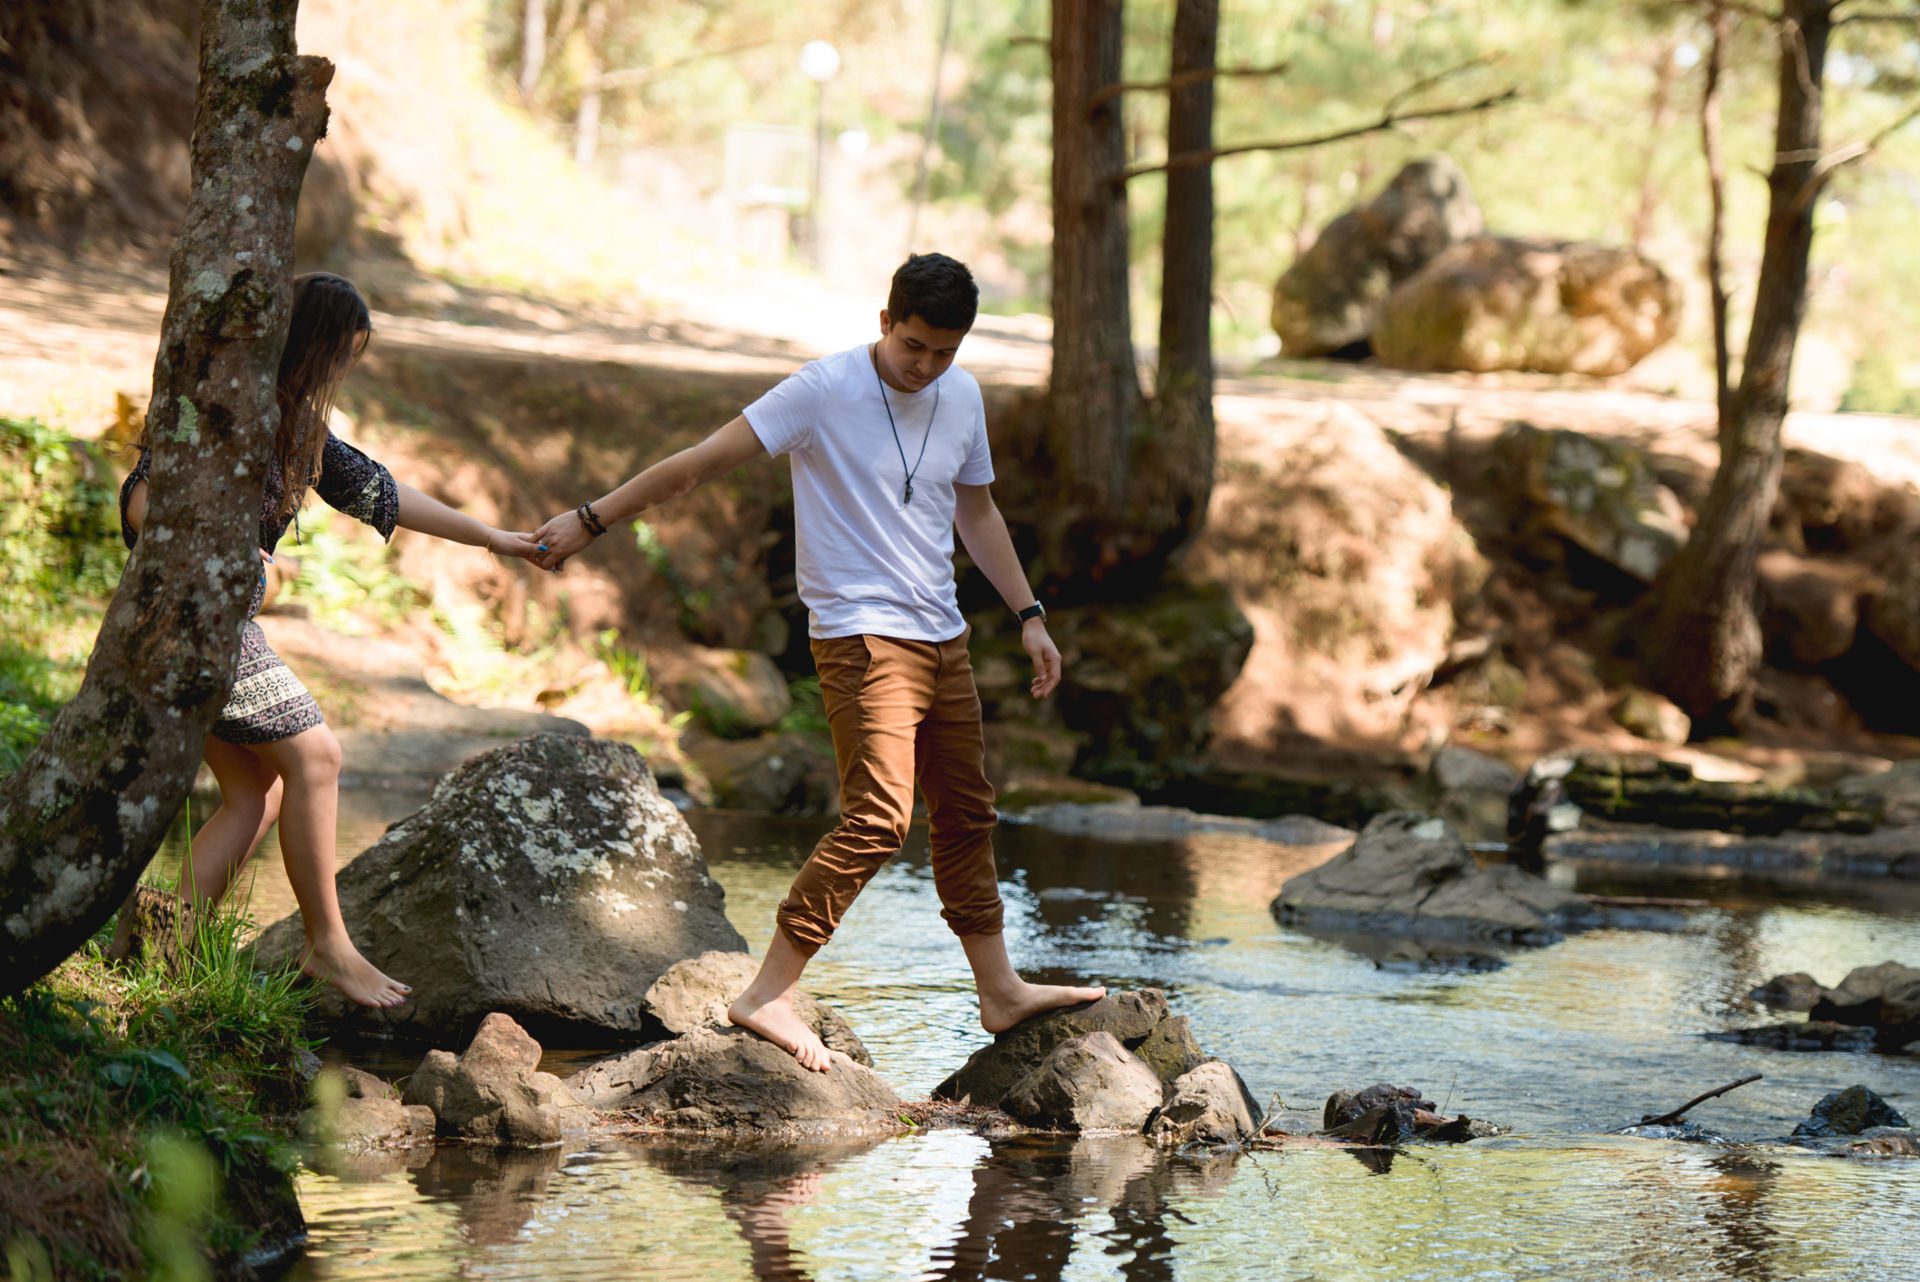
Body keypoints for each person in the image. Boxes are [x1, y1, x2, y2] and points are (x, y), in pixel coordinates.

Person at [532, 253, 1105, 1070]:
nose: (926, 366)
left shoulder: (963, 396)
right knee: (877, 820)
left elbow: (976, 511)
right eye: (913, 345)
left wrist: (1030, 615)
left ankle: (999, 990)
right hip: (861, 636)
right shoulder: (822, 390)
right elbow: (700, 461)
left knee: (969, 815)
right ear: (884, 322)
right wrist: (594, 517)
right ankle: (765, 994)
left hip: (943, 635)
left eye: (945, 352)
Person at [120, 272, 541, 1008]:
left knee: (258, 792)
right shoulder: (227, 402)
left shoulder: (299, 432)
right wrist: (214, 539)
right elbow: (143, 495)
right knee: (317, 755)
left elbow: (384, 493)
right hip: (191, 622)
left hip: (219, 624)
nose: (339, 375)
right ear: (311, 349)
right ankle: (328, 945)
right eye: (339, 358)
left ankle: (157, 953)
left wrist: (492, 538)